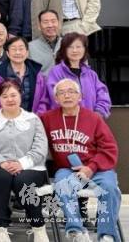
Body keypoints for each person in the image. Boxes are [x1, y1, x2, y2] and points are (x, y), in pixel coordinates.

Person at [41, 79, 121, 242]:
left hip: (97, 169)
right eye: (62, 92)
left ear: (80, 96)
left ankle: (107, 235)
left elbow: (110, 148)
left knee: (110, 188)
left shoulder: (94, 118)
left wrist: (91, 167)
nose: (67, 95)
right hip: (67, 169)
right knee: (62, 184)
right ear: (56, 98)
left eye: (71, 91)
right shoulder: (47, 118)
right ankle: (76, 231)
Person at [0, 79, 50, 242]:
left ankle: (38, 227)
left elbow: (40, 148)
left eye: (13, 95)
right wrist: (2, 163)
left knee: (22, 180)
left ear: (20, 95)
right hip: (0, 166)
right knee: (2, 177)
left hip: (32, 167)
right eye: (4, 96)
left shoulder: (33, 119)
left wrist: (21, 164)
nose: (9, 99)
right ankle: (1, 228)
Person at [45, 33, 111, 118]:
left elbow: (103, 96)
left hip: (90, 121)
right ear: (64, 50)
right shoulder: (56, 72)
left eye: (78, 47)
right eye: (70, 47)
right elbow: (54, 97)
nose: (75, 50)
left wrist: (98, 114)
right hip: (65, 120)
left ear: (84, 49)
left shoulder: (91, 74)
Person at [0, 37, 48, 115]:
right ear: (7, 53)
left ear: (27, 52)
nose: (18, 52)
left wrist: (35, 118)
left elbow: (43, 101)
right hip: (6, 119)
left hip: (33, 118)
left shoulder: (37, 73)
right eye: (14, 49)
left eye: (21, 49)